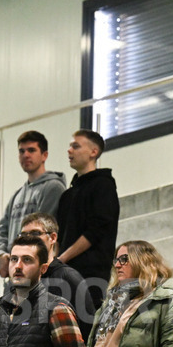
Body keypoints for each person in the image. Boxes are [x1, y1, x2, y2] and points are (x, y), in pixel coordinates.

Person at [55, 130, 121, 310]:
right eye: (69, 146)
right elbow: (59, 236)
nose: (69, 151)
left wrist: (62, 259)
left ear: (93, 152)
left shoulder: (103, 186)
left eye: (76, 146)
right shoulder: (68, 195)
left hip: (90, 274)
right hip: (64, 274)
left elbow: (97, 230)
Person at [0, 131, 66, 279]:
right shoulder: (17, 195)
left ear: (44, 155)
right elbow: (1, 232)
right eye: (22, 151)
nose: (26, 155)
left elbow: (41, 234)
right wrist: (2, 255)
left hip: (39, 274)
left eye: (31, 150)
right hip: (15, 271)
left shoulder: (53, 187)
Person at [20, 212, 96, 343]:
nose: (28, 240)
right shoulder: (22, 280)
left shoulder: (68, 277)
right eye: (23, 235)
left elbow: (88, 332)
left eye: (35, 233)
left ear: (53, 238)